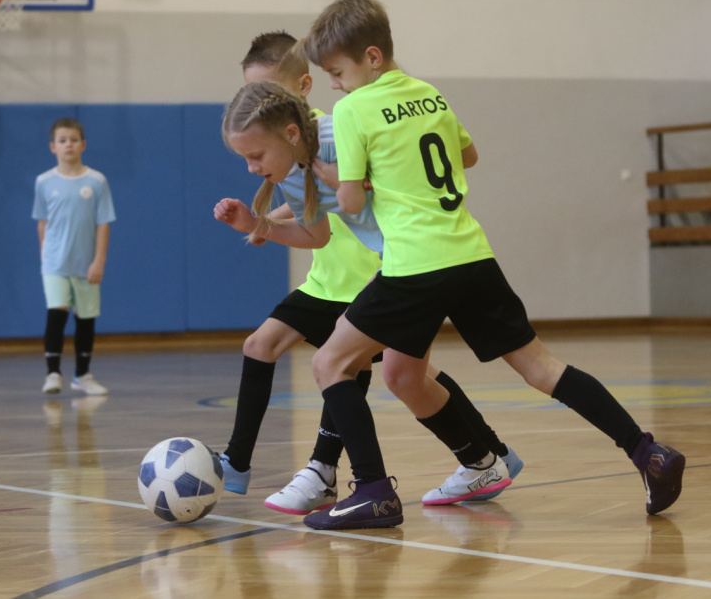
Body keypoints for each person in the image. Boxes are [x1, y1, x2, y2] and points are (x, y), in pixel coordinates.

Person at [292, 0, 685, 531]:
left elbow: (352, 201)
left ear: (371, 57)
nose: (335, 84)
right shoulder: (430, 94)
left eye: (337, 72)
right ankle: (647, 453)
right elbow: (469, 155)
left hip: (416, 266)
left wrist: (326, 174)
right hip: (472, 256)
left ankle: (373, 492)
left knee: (329, 362)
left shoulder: (354, 108)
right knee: (522, 369)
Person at [215, 33, 523, 516]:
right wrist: (260, 223)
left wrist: (284, 213)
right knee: (350, 364)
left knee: (378, 370)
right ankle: (483, 456)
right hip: (329, 277)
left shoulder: (341, 129)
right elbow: (315, 220)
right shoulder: (283, 158)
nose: (256, 102)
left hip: (384, 270)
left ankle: (340, 474)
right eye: (248, 93)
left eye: (267, 91)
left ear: (301, 88)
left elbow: (376, 186)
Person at [33, 118, 115, 396]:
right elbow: (42, 222)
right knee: (56, 313)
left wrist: (99, 260)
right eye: (62, 140)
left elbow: (103, 223)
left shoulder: (96, 181)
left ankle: (82, 375)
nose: (68, 144)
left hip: (85, 264)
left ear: (83, 145)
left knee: (86, 318)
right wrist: (45, 256)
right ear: (53, 147)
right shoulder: (44, 182)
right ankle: (52, 373)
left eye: (73, 140)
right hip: (54, 264)